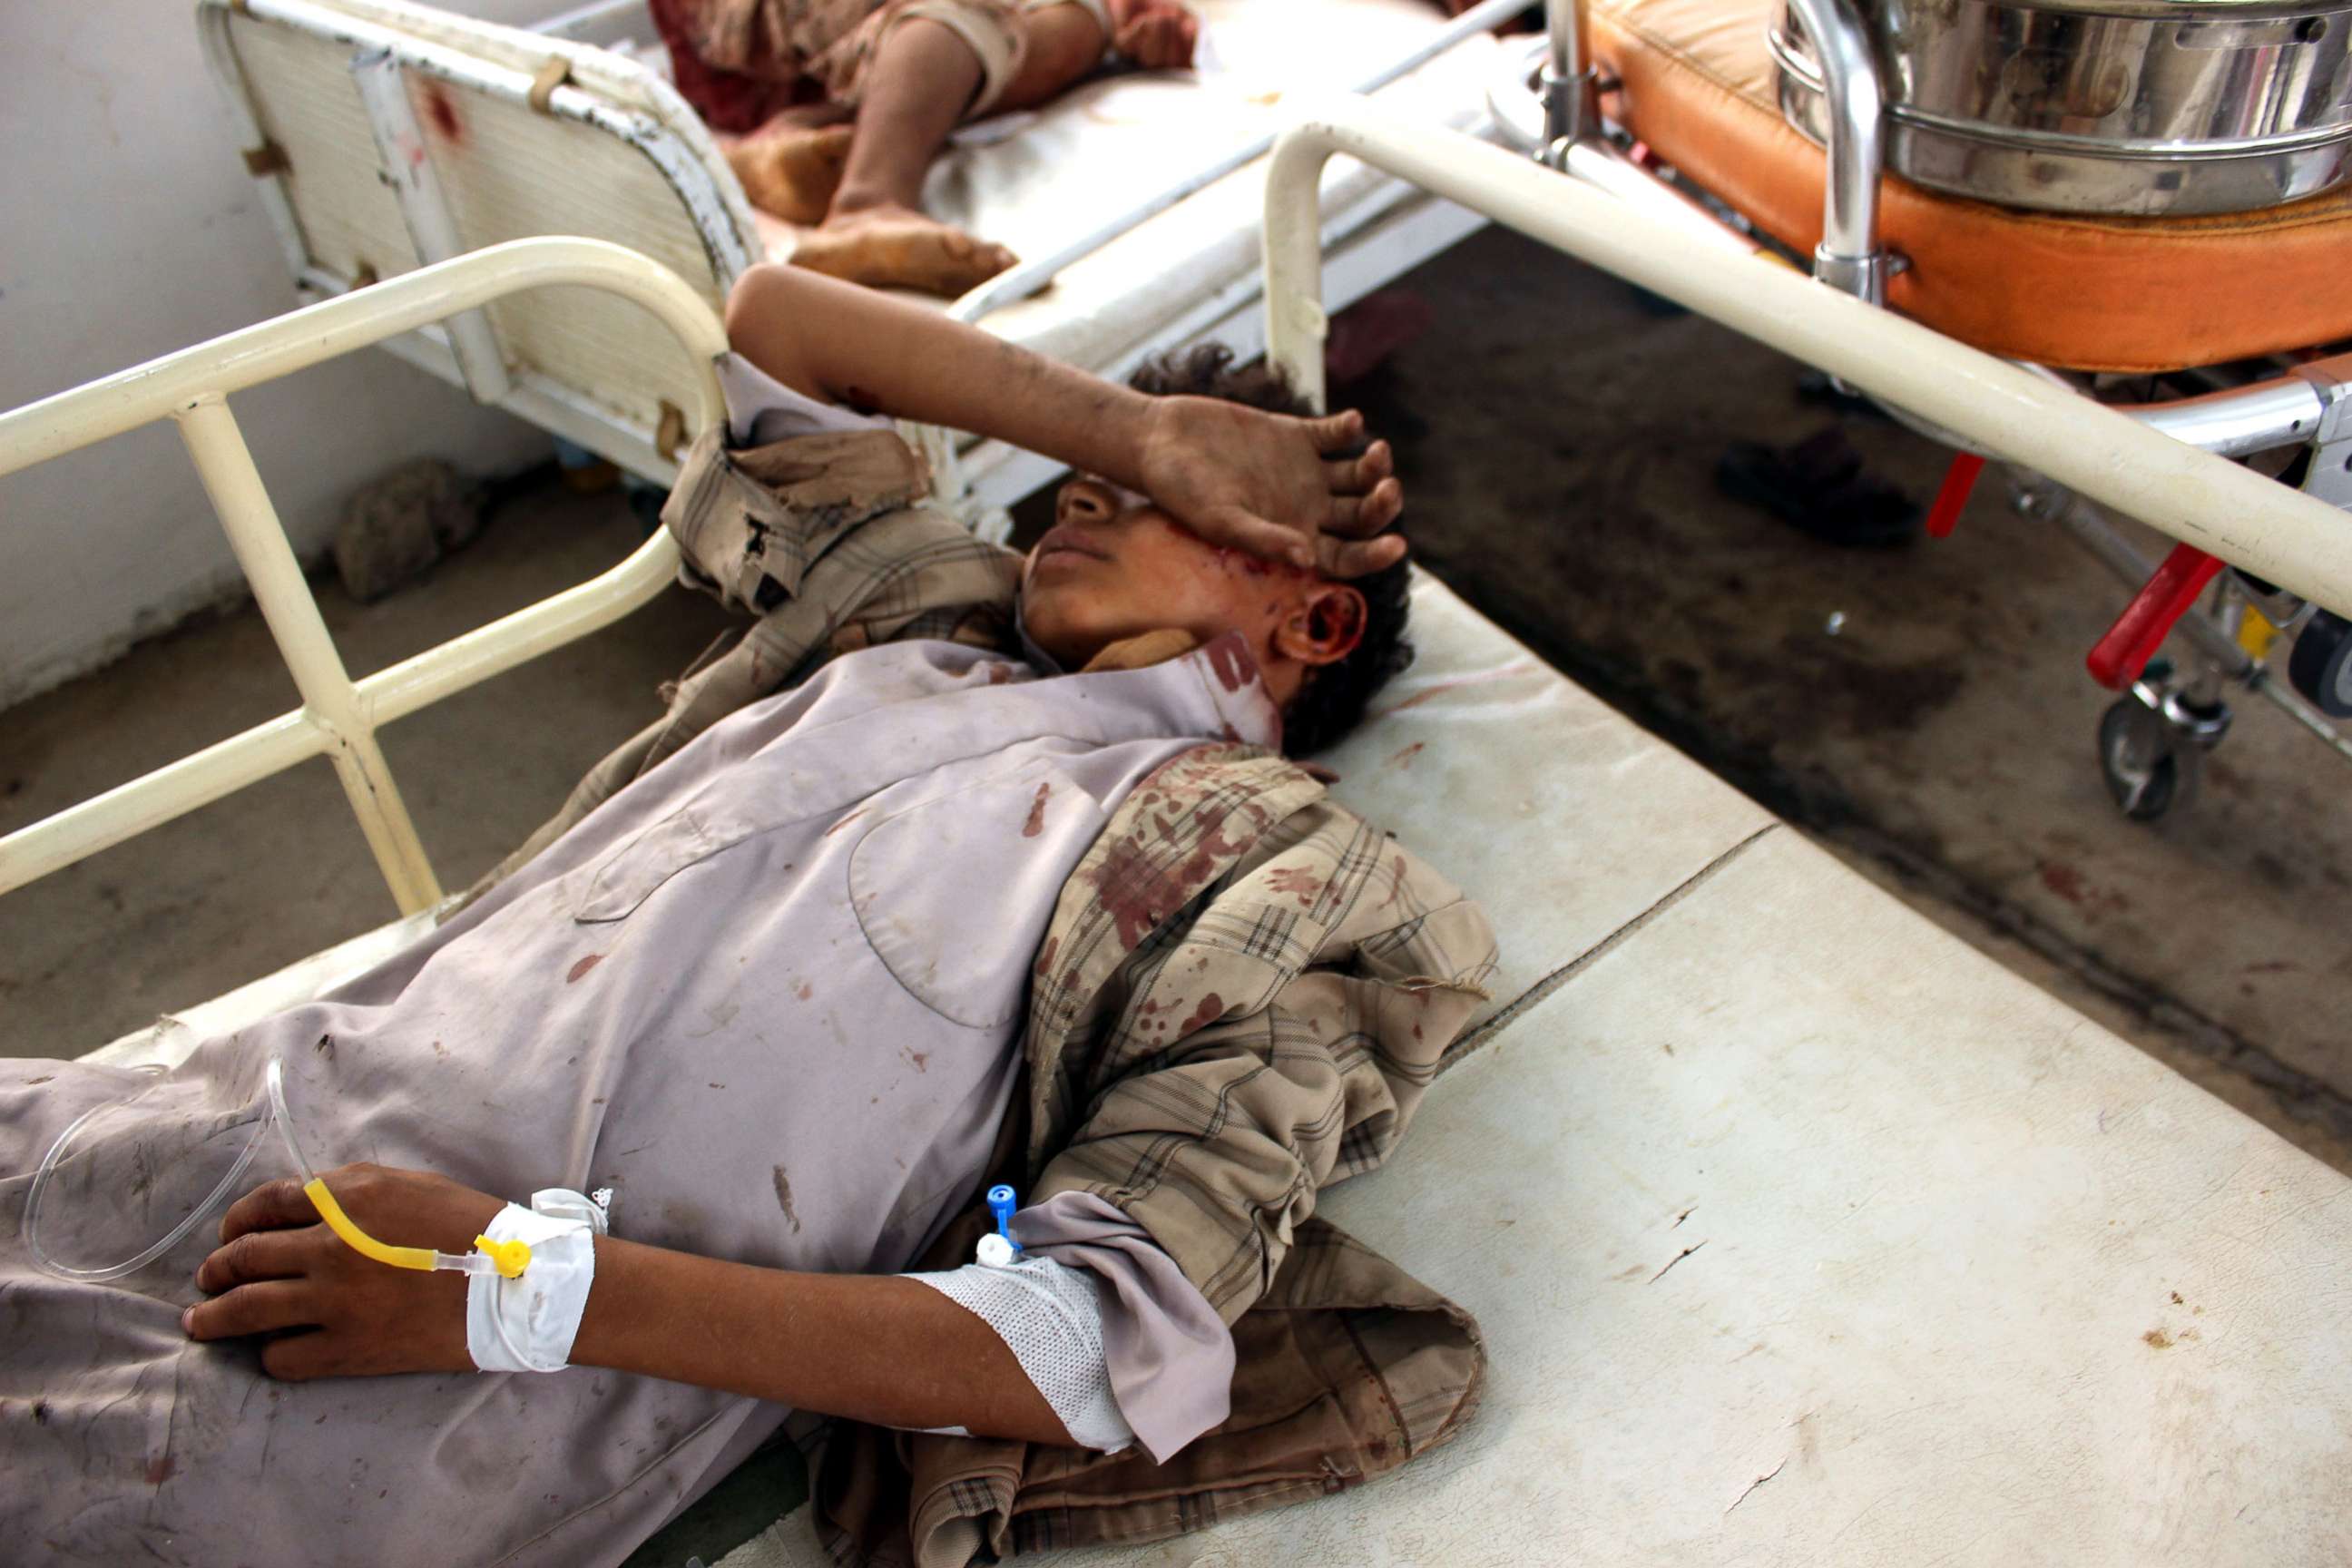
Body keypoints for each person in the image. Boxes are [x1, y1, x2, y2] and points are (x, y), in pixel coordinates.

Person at [1, 264, 1495, 1567]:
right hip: (217, 1109)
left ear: (1314, 617)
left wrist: (520, 1283)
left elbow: (1089, 1344)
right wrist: (1133, 428)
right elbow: (777, 323)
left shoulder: (1277, 875)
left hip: (422, 1368)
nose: (1082, 497)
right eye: (1084, 478)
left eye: (1181, 499)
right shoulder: (921, 613)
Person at [652, 0, 1200, 294]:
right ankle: (867, 204)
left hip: (780, 74)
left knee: (1074, 23)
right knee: (976, 11)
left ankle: (791, 143)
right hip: (761, 33)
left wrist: (1134, 18)